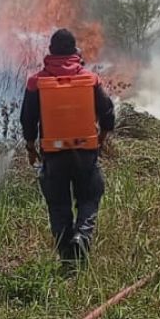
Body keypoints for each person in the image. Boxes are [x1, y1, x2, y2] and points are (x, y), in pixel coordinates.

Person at [21, 28, 116, 265]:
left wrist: (30, 146)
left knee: (58, 204)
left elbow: (27, 118)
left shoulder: (36, 82)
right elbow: (107, 111)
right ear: (75, 52)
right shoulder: (90, 79)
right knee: (89, 196)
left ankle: (67, 255)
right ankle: (82, 237)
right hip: (85, 152)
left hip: (53, 154)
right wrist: (102, 137)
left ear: (51, 52)